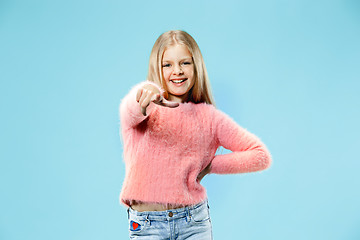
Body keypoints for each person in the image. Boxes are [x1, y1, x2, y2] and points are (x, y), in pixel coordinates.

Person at [118, 30, 272, 240]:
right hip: (147, 225)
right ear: (157, 68)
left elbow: (260, 156)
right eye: (167, 65)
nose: (177, 71)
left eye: (185, 63)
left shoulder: (210, 118)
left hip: (193, 222)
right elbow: (131, 111)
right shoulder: (146, 107)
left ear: (196, 66)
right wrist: (145, 94)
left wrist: (210, 165)